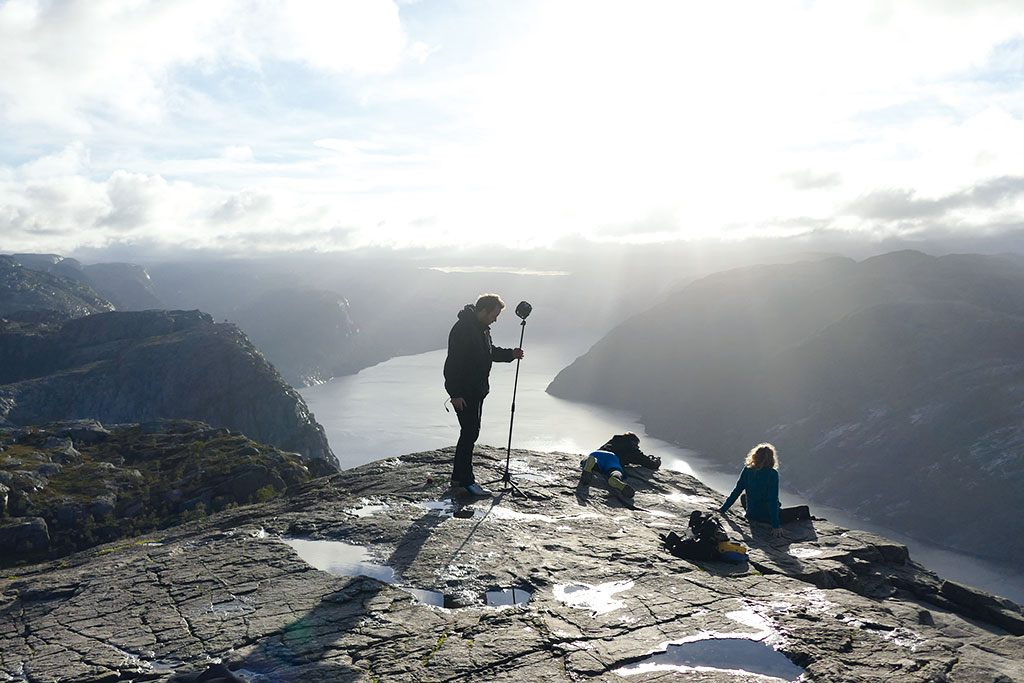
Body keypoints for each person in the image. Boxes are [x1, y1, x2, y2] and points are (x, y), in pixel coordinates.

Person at [444, 294, 524, 496]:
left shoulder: (481, 329)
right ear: (483, 311)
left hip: (476, 391)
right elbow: (452, 364)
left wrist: (510, 355)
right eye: (494, 315)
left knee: (470, 432)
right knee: (469, 432)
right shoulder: (463, 329)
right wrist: (455, 394)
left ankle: (458, 478)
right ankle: (466, 481)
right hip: (465, 393)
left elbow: (488, 353)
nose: (495, 320)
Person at [719, 443, 810, 537]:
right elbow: (772, 500)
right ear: (771, 459)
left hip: (751, 514)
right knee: (804, 509)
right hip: (768, 518)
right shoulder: (772, 474)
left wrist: (723, 509)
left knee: (744, 497)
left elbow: (737, 491)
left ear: (754, 456)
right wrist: (776, 526)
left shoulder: (747, 470)